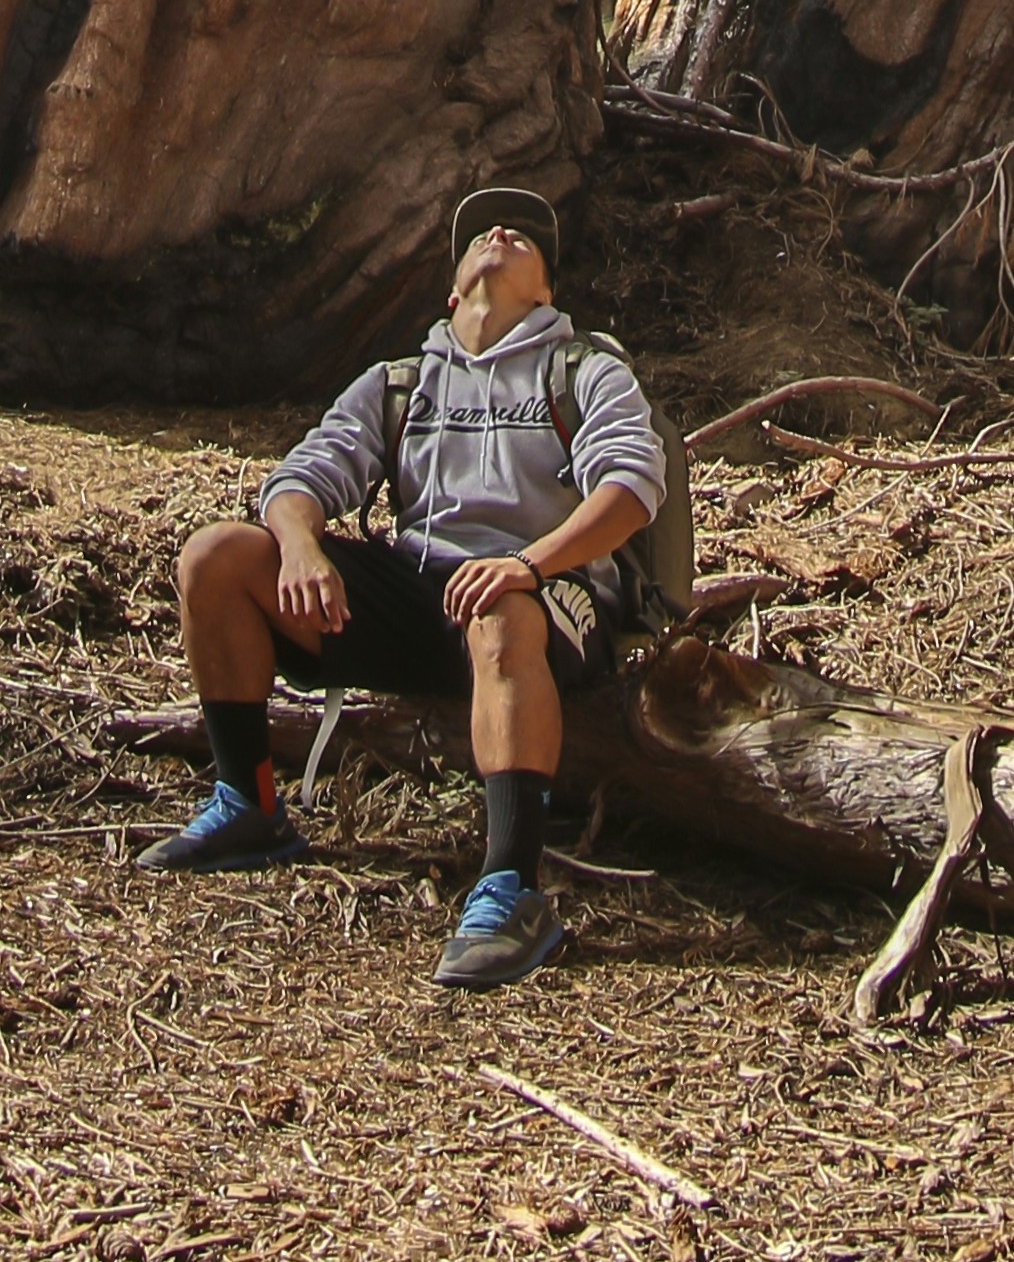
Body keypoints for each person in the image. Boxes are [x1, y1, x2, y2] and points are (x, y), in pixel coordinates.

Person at [144, 186, 661, 991]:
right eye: (484, 233)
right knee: (216, 558)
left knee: (496, 608)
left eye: (524, 239)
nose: (500, 232)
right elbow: (301, 477)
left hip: (543, 596)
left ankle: (510, 891)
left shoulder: (583, 367)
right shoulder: (400, 383)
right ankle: (248, 806)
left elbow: (629, 491)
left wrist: (529, 564)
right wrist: (300, 545)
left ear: (547, 291)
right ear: (452, 290)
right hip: (421, 591)